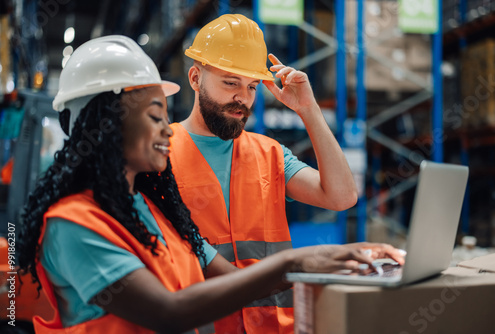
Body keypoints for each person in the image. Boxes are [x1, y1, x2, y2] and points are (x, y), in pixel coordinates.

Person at [17, 35, 403, 334]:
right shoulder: (72, 225)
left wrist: (346, 261)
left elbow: (240, 280)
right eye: (154, 116)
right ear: (106, 123)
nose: (164, 131)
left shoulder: (156, 211)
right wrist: (297, 260)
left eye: (252, 86)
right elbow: (168, 313)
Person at [169, 14, 358, 333]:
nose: (242, 98)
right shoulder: (161, 154)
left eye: (252, 87)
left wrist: (308, 110)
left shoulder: (269, 153)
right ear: (195, 78)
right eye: (231, 83)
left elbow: (342, 196)